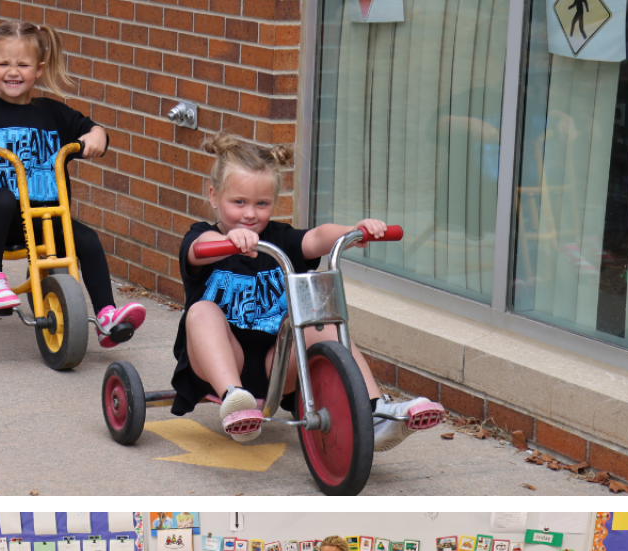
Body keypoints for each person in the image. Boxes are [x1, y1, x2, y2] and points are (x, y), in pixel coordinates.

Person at [172, 131, 444, 446]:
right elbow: (197, 248)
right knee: (201, 312)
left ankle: (375, 412)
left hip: (276, 366)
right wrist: (228, 242)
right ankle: (236, 400)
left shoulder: (279, 238)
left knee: (321, 322)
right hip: (220, 361)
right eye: (239, 202)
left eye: (262, 203)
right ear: (213, 197)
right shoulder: (203, 237)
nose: (250, 214)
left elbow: (316, 237)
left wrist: (355, 231)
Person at [0, 20, 148, 345]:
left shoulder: (53, 114)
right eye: (3, 63)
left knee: (85, 238)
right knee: (2, 197)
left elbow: (92, 128)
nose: (12, 72)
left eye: (22, 64)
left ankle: (106, 317)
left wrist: (96, 138)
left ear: (39, 69)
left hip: (41, 219)